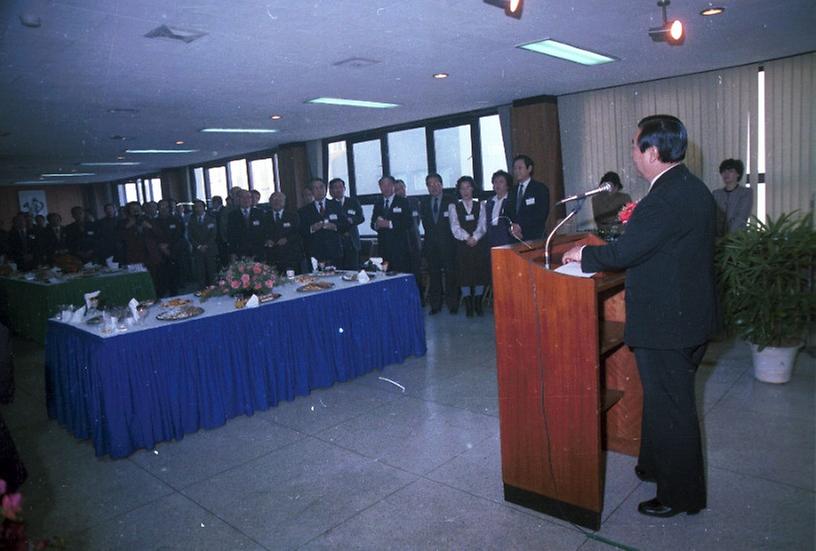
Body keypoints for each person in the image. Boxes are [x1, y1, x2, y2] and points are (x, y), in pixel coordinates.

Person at [563, 114, 717, 518]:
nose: (631, 153)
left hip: (668, 323)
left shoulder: (664, 197)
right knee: (665, 401)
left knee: (672, 409)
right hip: (688, 317)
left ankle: (681, 496)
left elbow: (626, 253)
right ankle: (653, 466)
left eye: (634, 146)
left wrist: (585, 254)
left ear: (652, 152)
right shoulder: (691, 188)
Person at [449, 176, 489, 317]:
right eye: (462, 188)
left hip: (478, 245)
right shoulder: (454, 206)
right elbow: (454, 227)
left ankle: (478, 304)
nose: (465, 191)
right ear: (458, 190)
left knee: (479, 274)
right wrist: (467, 238)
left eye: (468, 187)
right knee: (464, 275)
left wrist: (475, 237)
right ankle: (468, 306)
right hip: (462, 246)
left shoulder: (481, 205)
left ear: (473, 188)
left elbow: (483, 225)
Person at [419, 173, 459, 314]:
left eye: (436, 183)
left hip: (449, 245)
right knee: (434, 275)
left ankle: (452, 304)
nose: (434, 186)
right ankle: (435, 305)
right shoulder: (424, 203)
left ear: (441, 185)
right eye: (430, 184)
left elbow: (456, 224)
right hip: (431, 246)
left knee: (451, 275)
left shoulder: (451, 200)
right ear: (427, 187)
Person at [298, 178, 346, 268]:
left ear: (325, 189)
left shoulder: (336, 205)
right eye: (315, 188)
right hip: (315, 252)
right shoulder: (304, 211)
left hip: (334, 251)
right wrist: (312, 228)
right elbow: (301, 231)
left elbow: (345, 225)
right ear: (312, 191)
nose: (319, 190)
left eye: (321, 187)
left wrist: (335, 226)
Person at [370, 176, 412, 273]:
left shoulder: (403, 201)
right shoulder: (378, 203)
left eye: (389, 185)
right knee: (386, 276)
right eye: (383, 185)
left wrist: (389, 224)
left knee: (401, 275)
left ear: (393, 186)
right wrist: (377, 225)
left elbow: (408, 222)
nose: (386, 188)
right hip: (383, 248)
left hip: (400, 248)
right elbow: (372, 223)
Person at [509, 154, 550, 243]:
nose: (517, 171)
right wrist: (512, 229)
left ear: (529, 169)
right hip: (515, 238)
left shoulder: (539, 188)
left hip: (535, 236)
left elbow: (541, 214)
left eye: (520, 168)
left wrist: (521, 226)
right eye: (515, 168)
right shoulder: (512, 191)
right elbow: (507, 213)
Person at [329, 178, 365, 271]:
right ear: (331, 190)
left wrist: (352, 220)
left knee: (353, 271)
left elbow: (361, 218)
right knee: (338, 271)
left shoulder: (353, 202)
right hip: (336, 244)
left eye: (341, 187)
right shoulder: (328, 204)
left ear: (344, 188)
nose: (338, 189)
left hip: (352, 242)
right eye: (335, 187)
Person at [395, 179, 423, 294]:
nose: (400, 191)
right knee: (402, 273)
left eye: (402, 188)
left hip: (415, 242)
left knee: (417, 272)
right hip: (400, 245)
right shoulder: (393, 205)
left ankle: (420, 298)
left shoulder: (414, 202)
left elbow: (418, 221)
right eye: (397, 189)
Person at [712, 158, 752, 237]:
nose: (726, 174)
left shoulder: (746, 193)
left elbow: (741, 217)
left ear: (738, 174)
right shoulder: (716, 194)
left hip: (738, 239)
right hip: (717, 239)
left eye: (730, 171)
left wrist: (726, 237)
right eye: (724, 171)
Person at [266, 192, 303, 274]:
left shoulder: (293, 215)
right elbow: (261, 234)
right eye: (274, 199)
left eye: (280, 199)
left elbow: (298, 232)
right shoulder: (265, 216)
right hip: (272, 257)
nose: (277, 202)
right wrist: (267, 240)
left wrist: (287, 239)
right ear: (270, 202)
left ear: (284, 202)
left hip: (291, 256)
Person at [226, 190, 266, 261]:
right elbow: (230, 235)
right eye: (243, 197)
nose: (246, 200)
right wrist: (232, 252)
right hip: (240, 251)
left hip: (258, 250)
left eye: (248, 197)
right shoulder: (232, 215)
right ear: (238, 199)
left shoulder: (259, 213)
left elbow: (265, 231)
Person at [187, 200, 219, 288]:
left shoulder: (211, 219)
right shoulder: (191, 220)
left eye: (199, 206)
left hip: (210, 249)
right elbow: (190, 236)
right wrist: (199, 246)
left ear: (204, 207)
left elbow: (214, 235)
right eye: (196, 207)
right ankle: (202, 292)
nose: (198, 209)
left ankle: (214, 290)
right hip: (198, 250)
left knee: (212, 272)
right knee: (200, 273)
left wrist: (206, 245)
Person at [485, 170, 514, 248]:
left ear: (507, 185)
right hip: (491, 238)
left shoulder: (511, 200)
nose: (497, 185)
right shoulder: (489, 201)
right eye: (495, 182)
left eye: (501, 182)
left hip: (506, 238)